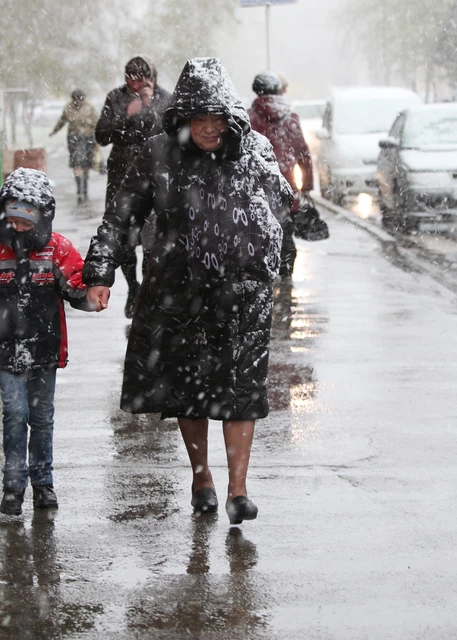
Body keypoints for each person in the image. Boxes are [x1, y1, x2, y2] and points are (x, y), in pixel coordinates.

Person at [82, 57, 293, 525]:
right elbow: (120, 217)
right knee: (191, 393)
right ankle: (202, 478)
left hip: (243, 298)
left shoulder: (253, 149)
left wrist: (270, 243)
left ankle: (239, 490)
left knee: (241, 393)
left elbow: (282, 200)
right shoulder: (158, 152)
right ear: (183, 116)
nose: (211, 128)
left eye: (219, 118)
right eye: (201, 118)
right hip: (180, 292)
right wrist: (99, 272)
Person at [0, 168, 94, 516]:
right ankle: (13, 485)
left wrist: (92, 290)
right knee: (15, 413)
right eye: (12, 219)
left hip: (44, 348)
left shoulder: (57, 249)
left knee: (42, 416)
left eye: (28, 220)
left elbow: (75, 284)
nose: (19, 228)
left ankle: (43, 483)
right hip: (3, 349)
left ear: (44, 216)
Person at [95, 55, 173, 318]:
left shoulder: (165, 98)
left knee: (152, 242)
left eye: (141, 78)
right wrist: (125, 115)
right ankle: (132, 287)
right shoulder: (116, 97)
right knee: (125, 243)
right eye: (130, 77)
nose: (135, 83)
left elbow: (173, 134)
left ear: (152, 78)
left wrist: (149, 107)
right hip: (122, 175)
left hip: (155, 179)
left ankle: (147, 294)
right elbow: (102, 135)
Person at [248, 71, 314, 277]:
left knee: (257, 238)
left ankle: (264, 280)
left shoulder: (248, 118)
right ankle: (285, 281)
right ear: (278, 92)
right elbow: (303, 154)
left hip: (256, 189)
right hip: (286, 188)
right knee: (285, 237)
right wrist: (306, 187)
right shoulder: (290, 119)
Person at [50, 89, 99, 205]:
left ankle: (85, 189)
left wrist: (98, 140)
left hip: (88, 138)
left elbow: (97, 124)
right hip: (74, 138)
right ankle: (79, 190)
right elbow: (62, 121)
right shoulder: (68, 108)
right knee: (76, 163)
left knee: (86, 164)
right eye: (77, 100)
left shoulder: (89, 108)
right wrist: (54, 131)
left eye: (82, 99)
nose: (80, 102)